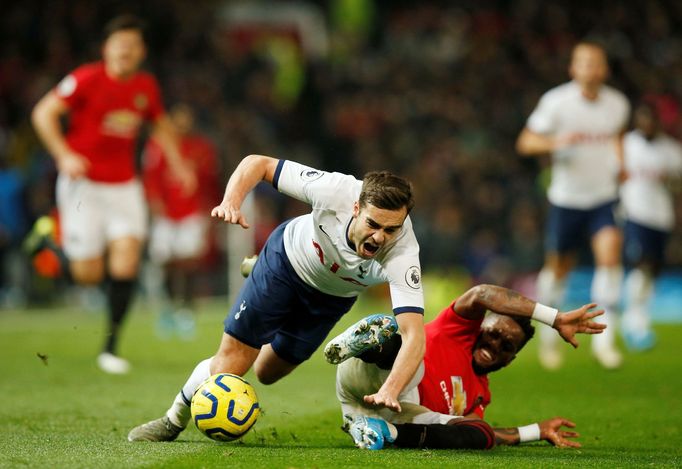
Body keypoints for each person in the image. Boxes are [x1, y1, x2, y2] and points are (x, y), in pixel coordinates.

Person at [128, 155, 426, 441]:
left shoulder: (403, 253)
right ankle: (172, 420)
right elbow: (259, 163)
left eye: (391, 229)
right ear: (356, 208)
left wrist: (390, 389)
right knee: (233, 364)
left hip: (331, 298)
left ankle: (264, 293)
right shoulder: (334, 190)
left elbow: (413, 334)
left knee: (268, 372)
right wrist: (231, 201)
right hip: (286, 261)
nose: (379, 238)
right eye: (373, 225)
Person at [31, 15, 194, 374]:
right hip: (83, 187)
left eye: (133, 45)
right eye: (120, 44)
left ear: (142, 52)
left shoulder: (145, 86)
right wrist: (64, 155)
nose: (126, 50)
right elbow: (43, 113)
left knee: (127, 262)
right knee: (88, 273)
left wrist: (179, 164)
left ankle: (110, 347)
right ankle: (50, 241)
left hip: (124, 186)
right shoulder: (86, 79)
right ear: (106, 49)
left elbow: (161, 124)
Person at [328, 283, 605, 450]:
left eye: (506, 346)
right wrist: (553, 318)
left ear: (511, 359)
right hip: (371, 380)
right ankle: (373, 345)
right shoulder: (456, 330)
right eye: (493, 333)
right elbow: (482, 293)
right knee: (412, 357)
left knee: (481, 432)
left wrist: (535, 431)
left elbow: (480, 433)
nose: (495, 345)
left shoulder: (480, 394)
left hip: (393, 416)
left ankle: (383, 433)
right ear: (480, 327)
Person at [516, 41, 630, 370]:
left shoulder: (617, 104)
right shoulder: (556, 102)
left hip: (604, 198)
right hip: (566, 200)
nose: (591, 68)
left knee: (610, 260)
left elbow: (618, 138)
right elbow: (525, 142)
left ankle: (606, 343)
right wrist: (555, 142)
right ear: (573, 68)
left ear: (605, 69)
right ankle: (550, 339)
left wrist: (622, 164)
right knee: (557, 270)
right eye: (584, 62)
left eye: (596, 62)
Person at [142, 103, 220, 339]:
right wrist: (154, 204)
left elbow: (210, 183)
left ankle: (185, 312)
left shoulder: (203, 148)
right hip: (166, 214)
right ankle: (167, 309)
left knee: (189, 262)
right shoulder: (158, 147)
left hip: (192, 212)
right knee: (165, 261)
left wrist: (210, 211)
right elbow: (150, 179)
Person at [620, 102, 682, 351]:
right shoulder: (626, 145)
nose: (646, 124)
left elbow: (678, 185)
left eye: (650, 120)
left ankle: (639, 317)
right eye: (641, 119)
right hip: (634, 213)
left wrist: (672, 183)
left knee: (652, 270)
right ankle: (633, 322)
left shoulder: (671, 150)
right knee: (641, 264)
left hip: (661, 217)